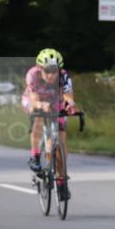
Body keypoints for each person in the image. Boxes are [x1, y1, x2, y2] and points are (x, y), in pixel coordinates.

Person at [23, 48, 78, 201]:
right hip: (35, 100)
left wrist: (70, 103)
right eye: (47, 71)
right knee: (39, 118)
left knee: (61, 145)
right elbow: (33, 98)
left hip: (55, 101)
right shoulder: (32, 75)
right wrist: (40, 105)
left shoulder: (63, 76)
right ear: (39, 69)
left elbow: (67, 94)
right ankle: (35, 156)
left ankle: (61, 183)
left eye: (54, 71)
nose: (51, 75)